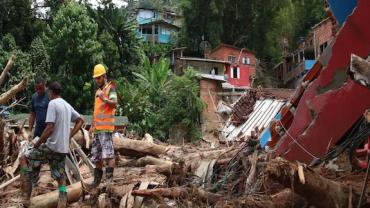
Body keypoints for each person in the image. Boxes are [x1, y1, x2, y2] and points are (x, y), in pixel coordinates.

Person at [19, 81, 84, 207]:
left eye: (47, 91)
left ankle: (26, 198)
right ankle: (62, 203)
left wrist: (37, 143)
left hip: (51, 147)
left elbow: (49, 128)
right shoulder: (66, 105)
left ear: (50, 92)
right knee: (60, 177)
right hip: (62, 149)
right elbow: (80, 120)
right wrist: (69, 136)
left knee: (23, 158)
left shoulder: (53, 104)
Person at [89, 64, 117, 188]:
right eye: (96, 78)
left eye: (99, 78)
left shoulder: (110, 88)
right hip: (97, 129)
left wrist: (104, 98)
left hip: (106, 129)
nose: (97, 80)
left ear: (104, 76)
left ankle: (109, 181)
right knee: (97, 156)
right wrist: (92, 125)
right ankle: (96, 182)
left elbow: (114, 103)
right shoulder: (98, 91)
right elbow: (96, 110)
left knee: (109, 155)